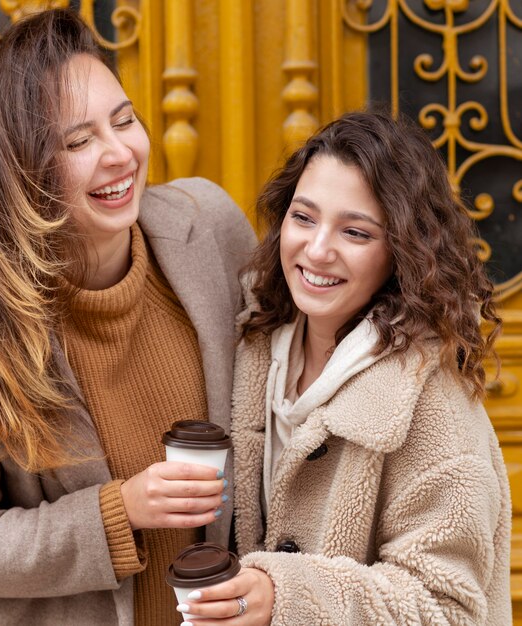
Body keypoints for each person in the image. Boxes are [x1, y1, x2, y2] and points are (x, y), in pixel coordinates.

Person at [0, 9, 256, 626]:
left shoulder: (212, 230)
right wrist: (119, 511)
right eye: (78, 141)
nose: (119, 154)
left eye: (124, 121)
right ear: (18, 169)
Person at [176, 111, 512, 624]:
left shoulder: (432, 399)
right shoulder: (253, 347)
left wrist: (288, 597)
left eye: (355, 232)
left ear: (402, 252)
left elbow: (449, 609)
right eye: (303, 217)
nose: (316, 250)